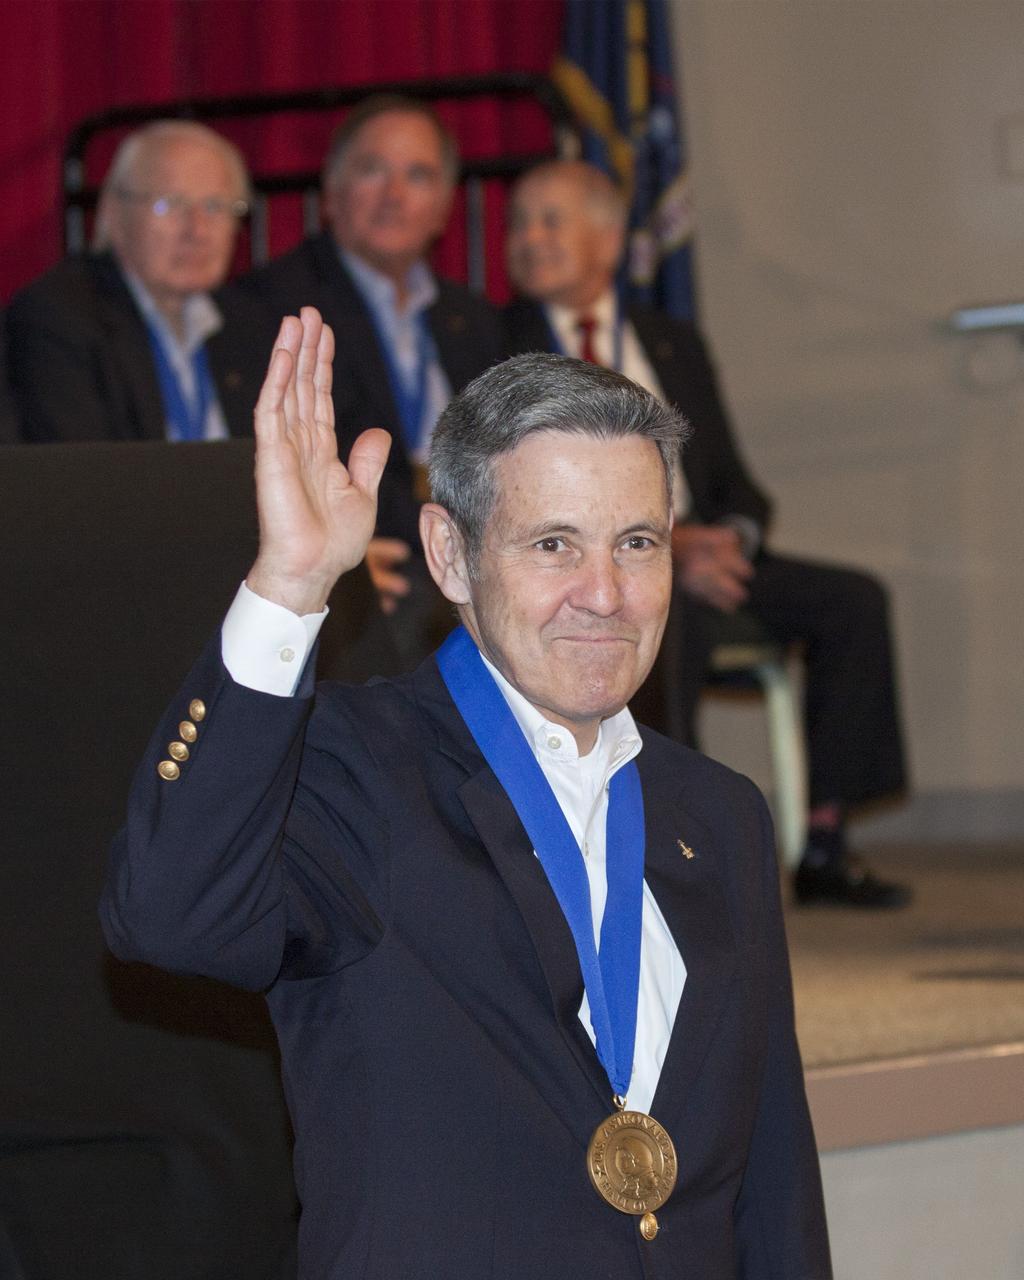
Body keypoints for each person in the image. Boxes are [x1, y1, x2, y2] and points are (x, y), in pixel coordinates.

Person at [101, 308, 831, 1279]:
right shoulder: (350, 766)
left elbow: (772, 1176)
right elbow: (170, 915)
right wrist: (290, 584)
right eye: (554, 544)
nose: (605, 593)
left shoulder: (720, 810)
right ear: (449, 555)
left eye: (639, 542)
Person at [504, 159, 909, 909]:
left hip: (706, 552)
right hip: (595, 561)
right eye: (518, 223)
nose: (528, 239)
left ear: (609, 236)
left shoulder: (671, 341)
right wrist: (661, 548)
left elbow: (740, 485)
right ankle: (666, 844)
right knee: (659, 608)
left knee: (854, 601)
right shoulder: (500, 347)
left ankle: (824, 839)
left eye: (550, 220)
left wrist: (730, 544)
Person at [231, 94, 508, 644]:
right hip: (367, 549)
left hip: (477, 546)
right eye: (373, 170)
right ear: (332, 192)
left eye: (418, 175)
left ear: (444, 205)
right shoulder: (273, 306)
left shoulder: (473, 318)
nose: (394, 194)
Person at [7, 120, 264, 443]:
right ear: (114, 214)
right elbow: (78, 474)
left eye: (215, 206)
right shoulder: (61, 318)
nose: (197, 230)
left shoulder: (252, 321)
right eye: (170, 204)